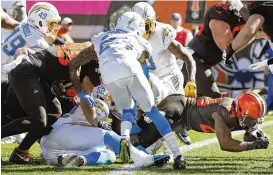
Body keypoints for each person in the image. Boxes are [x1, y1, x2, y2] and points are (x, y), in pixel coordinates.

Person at [92, 11, 186, 170]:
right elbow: (146, 70)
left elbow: (88, 52)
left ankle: (125, 139)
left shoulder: (100, 36)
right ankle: (178, 155)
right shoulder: (142, 41)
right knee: (153, 112)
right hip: (131, 69)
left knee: (127, 110)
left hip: (108, 74)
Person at [1, 41, 100, 164]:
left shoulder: (93, 52)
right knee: (39, 121)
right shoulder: (95, 49)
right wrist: (80, 93)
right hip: (27, 72)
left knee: (54, 112)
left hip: (35, 74)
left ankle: (21, 152)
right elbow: (73, 65)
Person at [132, 1, 196, 148]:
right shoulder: (132, 37)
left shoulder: (162, 33)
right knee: (145, 115)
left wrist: (191, 80)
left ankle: (174, 127)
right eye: (140, 24)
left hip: (169, 78)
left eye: (147, 24)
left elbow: (187, 57)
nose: (144, 29)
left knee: (161, 117)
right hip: (151, 80)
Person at [130, 92, 269, 154]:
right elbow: (226, 144)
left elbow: (247, 136)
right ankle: (112, 135)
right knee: (139, 141)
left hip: (185, 116)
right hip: (178, 109)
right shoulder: (224, 112)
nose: (253, 122)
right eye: (251, 119)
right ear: (240, 110)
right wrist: (254, 145)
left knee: (144, 141)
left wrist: (255, 135)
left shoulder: (239, 111)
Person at [41, 101, 170, 167]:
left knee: (109, 155)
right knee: (106, 135)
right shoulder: (90, 105)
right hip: (61, 132)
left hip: (52, 152)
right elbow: (102, 132)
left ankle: (82, 160)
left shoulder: (89, 104)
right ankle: (141, 158)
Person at [184, 1, 245, 98]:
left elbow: (257, 31)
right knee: (213, 100)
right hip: (192, 60)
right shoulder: (220, 14)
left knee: (198, 102)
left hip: (203, 62)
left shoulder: (242, 17)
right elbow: (226, 48)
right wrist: (251, 31)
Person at [1, 2, 62, 82]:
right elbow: (45, 64)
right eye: (51, 24)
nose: (53, 27)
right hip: (4, 76)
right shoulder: (37, 41)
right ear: (40, 21)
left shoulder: (24, 24)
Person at [222, 1, 273, 74]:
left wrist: (229, 50)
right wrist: (267, 62)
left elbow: (250, 31)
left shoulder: (261, 8)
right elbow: (256, 33)